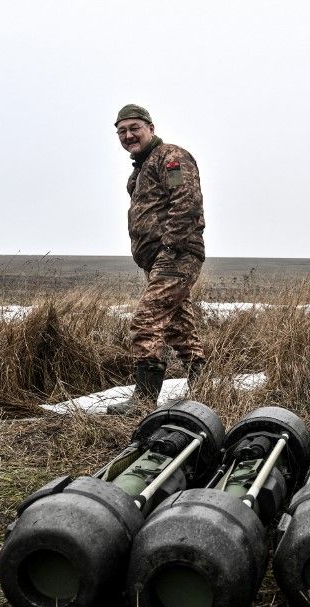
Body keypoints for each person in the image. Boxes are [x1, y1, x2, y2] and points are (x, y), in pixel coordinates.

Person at [108, 104, 207, 415]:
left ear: (150, 127)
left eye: (134, 127)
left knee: (146, 323)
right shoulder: (141, 169)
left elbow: (187, 201)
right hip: (159, 260)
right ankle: (205, 389)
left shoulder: (170, 157)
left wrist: (168, 248)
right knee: (181, 328)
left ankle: (143, 401)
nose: (128, 135)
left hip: (175, 255)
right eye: (121, 131)